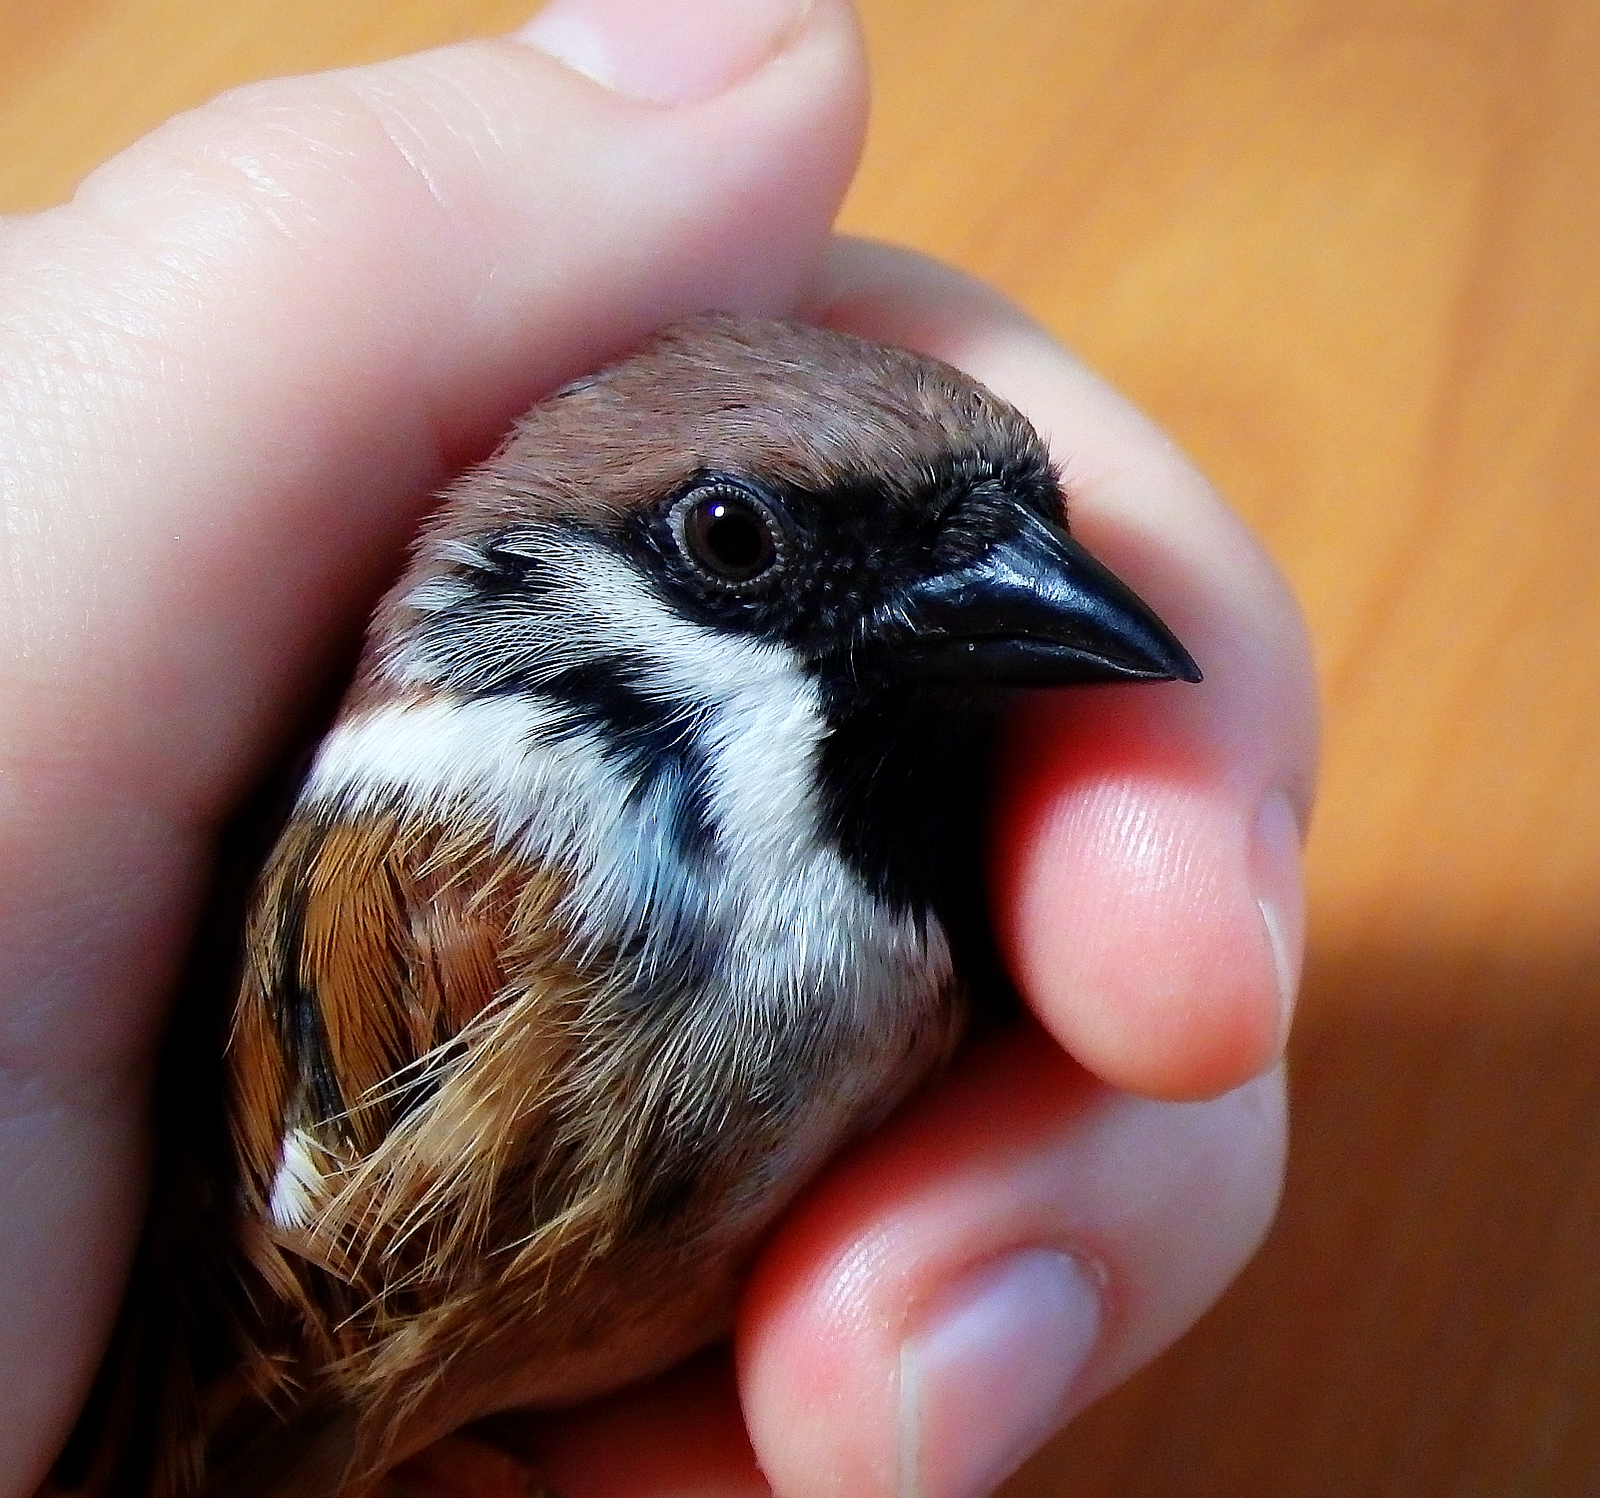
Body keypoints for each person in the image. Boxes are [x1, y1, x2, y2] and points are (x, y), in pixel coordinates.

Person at [0, 1, 1316, 1494]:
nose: (988, 602)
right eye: (738, 544)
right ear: (513, 603)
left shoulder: (921, 841)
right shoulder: (483, 907)